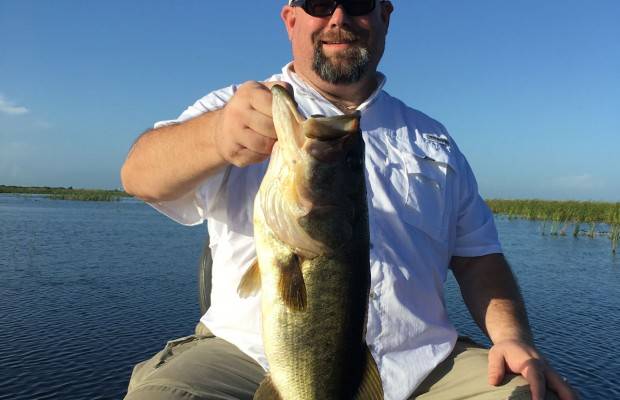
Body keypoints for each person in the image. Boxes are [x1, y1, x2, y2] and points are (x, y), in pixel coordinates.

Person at [120, 1, 578, 399]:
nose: (339, 17)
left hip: (425, 365)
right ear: (290, 19)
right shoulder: (237, 106)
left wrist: (512, 337)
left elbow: (479, 259)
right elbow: (139, 175)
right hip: (244, 357)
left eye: (358, 2)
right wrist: (216, 136)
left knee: (530, 393)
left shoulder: (434, 139)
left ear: (385, 15)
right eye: (318, 3)